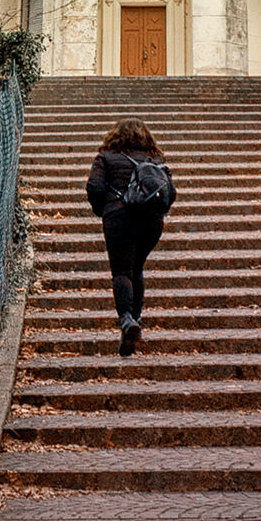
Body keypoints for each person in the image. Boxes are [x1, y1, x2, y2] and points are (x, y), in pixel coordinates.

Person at [86, 118, 177, 356]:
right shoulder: (155, 161)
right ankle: (136, 318)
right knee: (136, 269)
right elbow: (171, 193)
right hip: (151, 222)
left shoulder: (106, 158)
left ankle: (126, 319)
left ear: (115, 136)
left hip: (119, 218)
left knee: (121, 270)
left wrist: (103, 209)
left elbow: (94, 188)